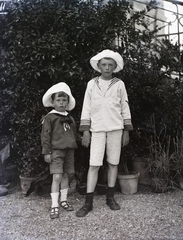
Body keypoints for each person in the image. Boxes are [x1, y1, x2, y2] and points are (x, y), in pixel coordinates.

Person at [76, 49, 133, 217]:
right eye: (104, 65)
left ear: (115, 67)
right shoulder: (92, 84)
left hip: (116, 129)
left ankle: (110, 197)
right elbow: (86, 108)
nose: (107, 68)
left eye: (110, 65)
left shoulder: (119, 84)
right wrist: (86, 131)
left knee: (113, 163)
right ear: (98, 66)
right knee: (94, 164)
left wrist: (126, 131)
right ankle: (88, 202)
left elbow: (124, 107)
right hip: (97, 130)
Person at [41, 82, 78, 219]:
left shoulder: (70, 118)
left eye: (64, 100)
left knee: (66, 175)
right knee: (56, 176)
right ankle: (54, 205)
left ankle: (63, 200)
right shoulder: (49, 118)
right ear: (52, 101)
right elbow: (45, 135)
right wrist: (47, 152)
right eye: (58, 100)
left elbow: (72, 134)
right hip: (55, 151)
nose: (61, 103)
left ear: (68, 102)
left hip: (69, 151)